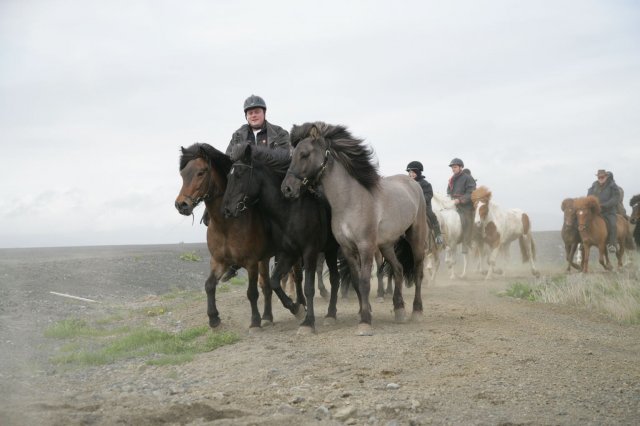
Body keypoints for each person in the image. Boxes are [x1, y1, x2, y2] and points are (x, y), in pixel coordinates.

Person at [217, 95, 292, 282]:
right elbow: (229, 159)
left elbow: (285, 157)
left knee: (288, 212)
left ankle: (286, 250)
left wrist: (260, 159)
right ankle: (233, 260)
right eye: (250, 113)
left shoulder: (280, 133)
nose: (253, 115)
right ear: (246, 116)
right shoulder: (238, 135)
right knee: (225, 208)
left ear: (264, 113)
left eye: (257, 111)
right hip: (247, 186)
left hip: (272, 185)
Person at [406, 161, 444, 246]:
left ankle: (438, 235)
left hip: (424, 207)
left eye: (413, 172)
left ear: (418, 172)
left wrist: (418, 200)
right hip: (411, 208)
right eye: (409, 172)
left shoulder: (425, 184)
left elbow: (428, 195)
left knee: (432, 216)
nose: (411, 174)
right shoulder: (407, 184)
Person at [446, 157, 476, 253]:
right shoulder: (451, 179)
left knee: (466, 220)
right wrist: (449, 199)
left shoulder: (468, 178)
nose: (453, 169)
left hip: (466, 205)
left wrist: (460, 200)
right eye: (452, 167)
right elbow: (448, 191)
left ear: (461, 167)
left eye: (455, 167)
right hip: (453, 203)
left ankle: (466, 243)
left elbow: (471, 192)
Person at [587, 169, 621, 253]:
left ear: (606, 176)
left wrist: (604, 205)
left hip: (609, 211)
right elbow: (589, 195)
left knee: (613, 225)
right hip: (596, 211)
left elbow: (616, 198)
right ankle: (583, 241)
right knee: (583, 221)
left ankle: (612, 244)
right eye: (599, 177)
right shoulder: (594, 185)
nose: (600, 178)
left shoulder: (612, 185)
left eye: (602, 176)